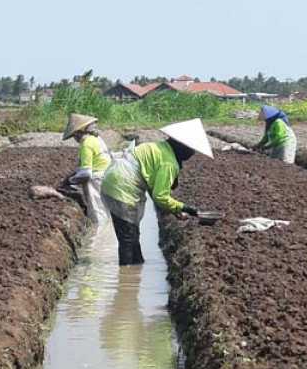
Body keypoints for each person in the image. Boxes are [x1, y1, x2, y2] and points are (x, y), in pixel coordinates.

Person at [101, 119, 211, 266]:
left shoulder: (161, 148)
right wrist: (185, 208)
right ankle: (126, 280)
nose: (192, 154)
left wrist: (174, 211)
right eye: (191, 149)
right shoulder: (168, 163)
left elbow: (155, 190)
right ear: (182, 146)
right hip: (121, 186)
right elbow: (160, 196)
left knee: (132, 234)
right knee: (127, 238)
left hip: (116, 180)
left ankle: (136, 266)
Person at [61, 113, 111, 224]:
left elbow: (86, 174)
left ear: (80, 132)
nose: (75, 138)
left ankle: (101, 238)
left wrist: (69, 181)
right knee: (106, 210)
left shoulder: (86, 143)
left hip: (97, 179)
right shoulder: (96, 139)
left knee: (98, 212)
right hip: (108, 175)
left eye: (75, 135)